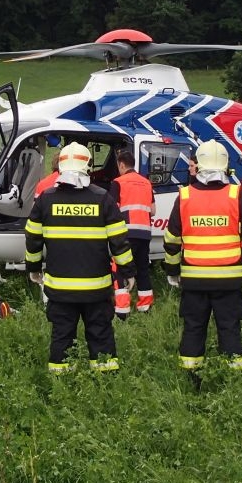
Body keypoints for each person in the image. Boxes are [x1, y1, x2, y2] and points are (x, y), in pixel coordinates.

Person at [25, 142, 135, 373]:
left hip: (60, 289)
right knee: (101, 336)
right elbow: (119, 242)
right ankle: (105, 383)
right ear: (88, 166)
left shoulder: (46, 199)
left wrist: (33, 269)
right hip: (97, 289)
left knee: (62, 337)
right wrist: (128, 273)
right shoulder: (102, 198)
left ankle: (62, 385)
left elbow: (33, 239)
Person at [164, 139, 242, 378]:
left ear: (198, 166)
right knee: (230, 329)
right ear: (226, 165)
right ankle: (234, 380)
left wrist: (171, 271)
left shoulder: (185, 195)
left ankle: (191, 379)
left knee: (193, 329)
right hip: (228, 280)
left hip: (194, 280)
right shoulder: (235, 194)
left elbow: (171, 239)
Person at [108, 148, 155, 319]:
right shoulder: (146, 182)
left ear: (121, 165)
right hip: (144, 233)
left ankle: (122, 310)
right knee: (142, 269)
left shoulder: (118, 182)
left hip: (125, 234)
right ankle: (145, 306)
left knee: (119, 268)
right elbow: (153, 210)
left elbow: (111, 210)